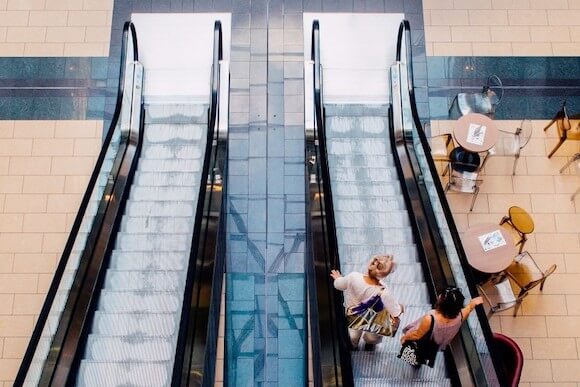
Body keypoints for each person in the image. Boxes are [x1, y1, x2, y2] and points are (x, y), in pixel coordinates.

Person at [330, 254, 404, 351]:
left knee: (352, 336)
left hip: (353, 317)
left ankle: (353, 346)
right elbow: (396, 312)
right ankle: (370, 343)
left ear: (370, 263)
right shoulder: (384, 291)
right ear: (385, 275)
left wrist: (338, 278)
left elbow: (338, 285)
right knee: (373, 336)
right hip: (374, 320)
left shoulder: (353, 277)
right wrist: (401, 308)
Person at [400, 287, 483, 365]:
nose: (439, 296)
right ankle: (418, 362)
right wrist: (474, 302)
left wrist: (405, 338)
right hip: (435, 346)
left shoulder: (430, 319)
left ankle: (413, 361)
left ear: (443, 304)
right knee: (424, 356)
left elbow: (417, 335)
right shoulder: (461, 316)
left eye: (442, 296)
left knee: (414, 353)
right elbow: (469, 308)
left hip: (420, 344)